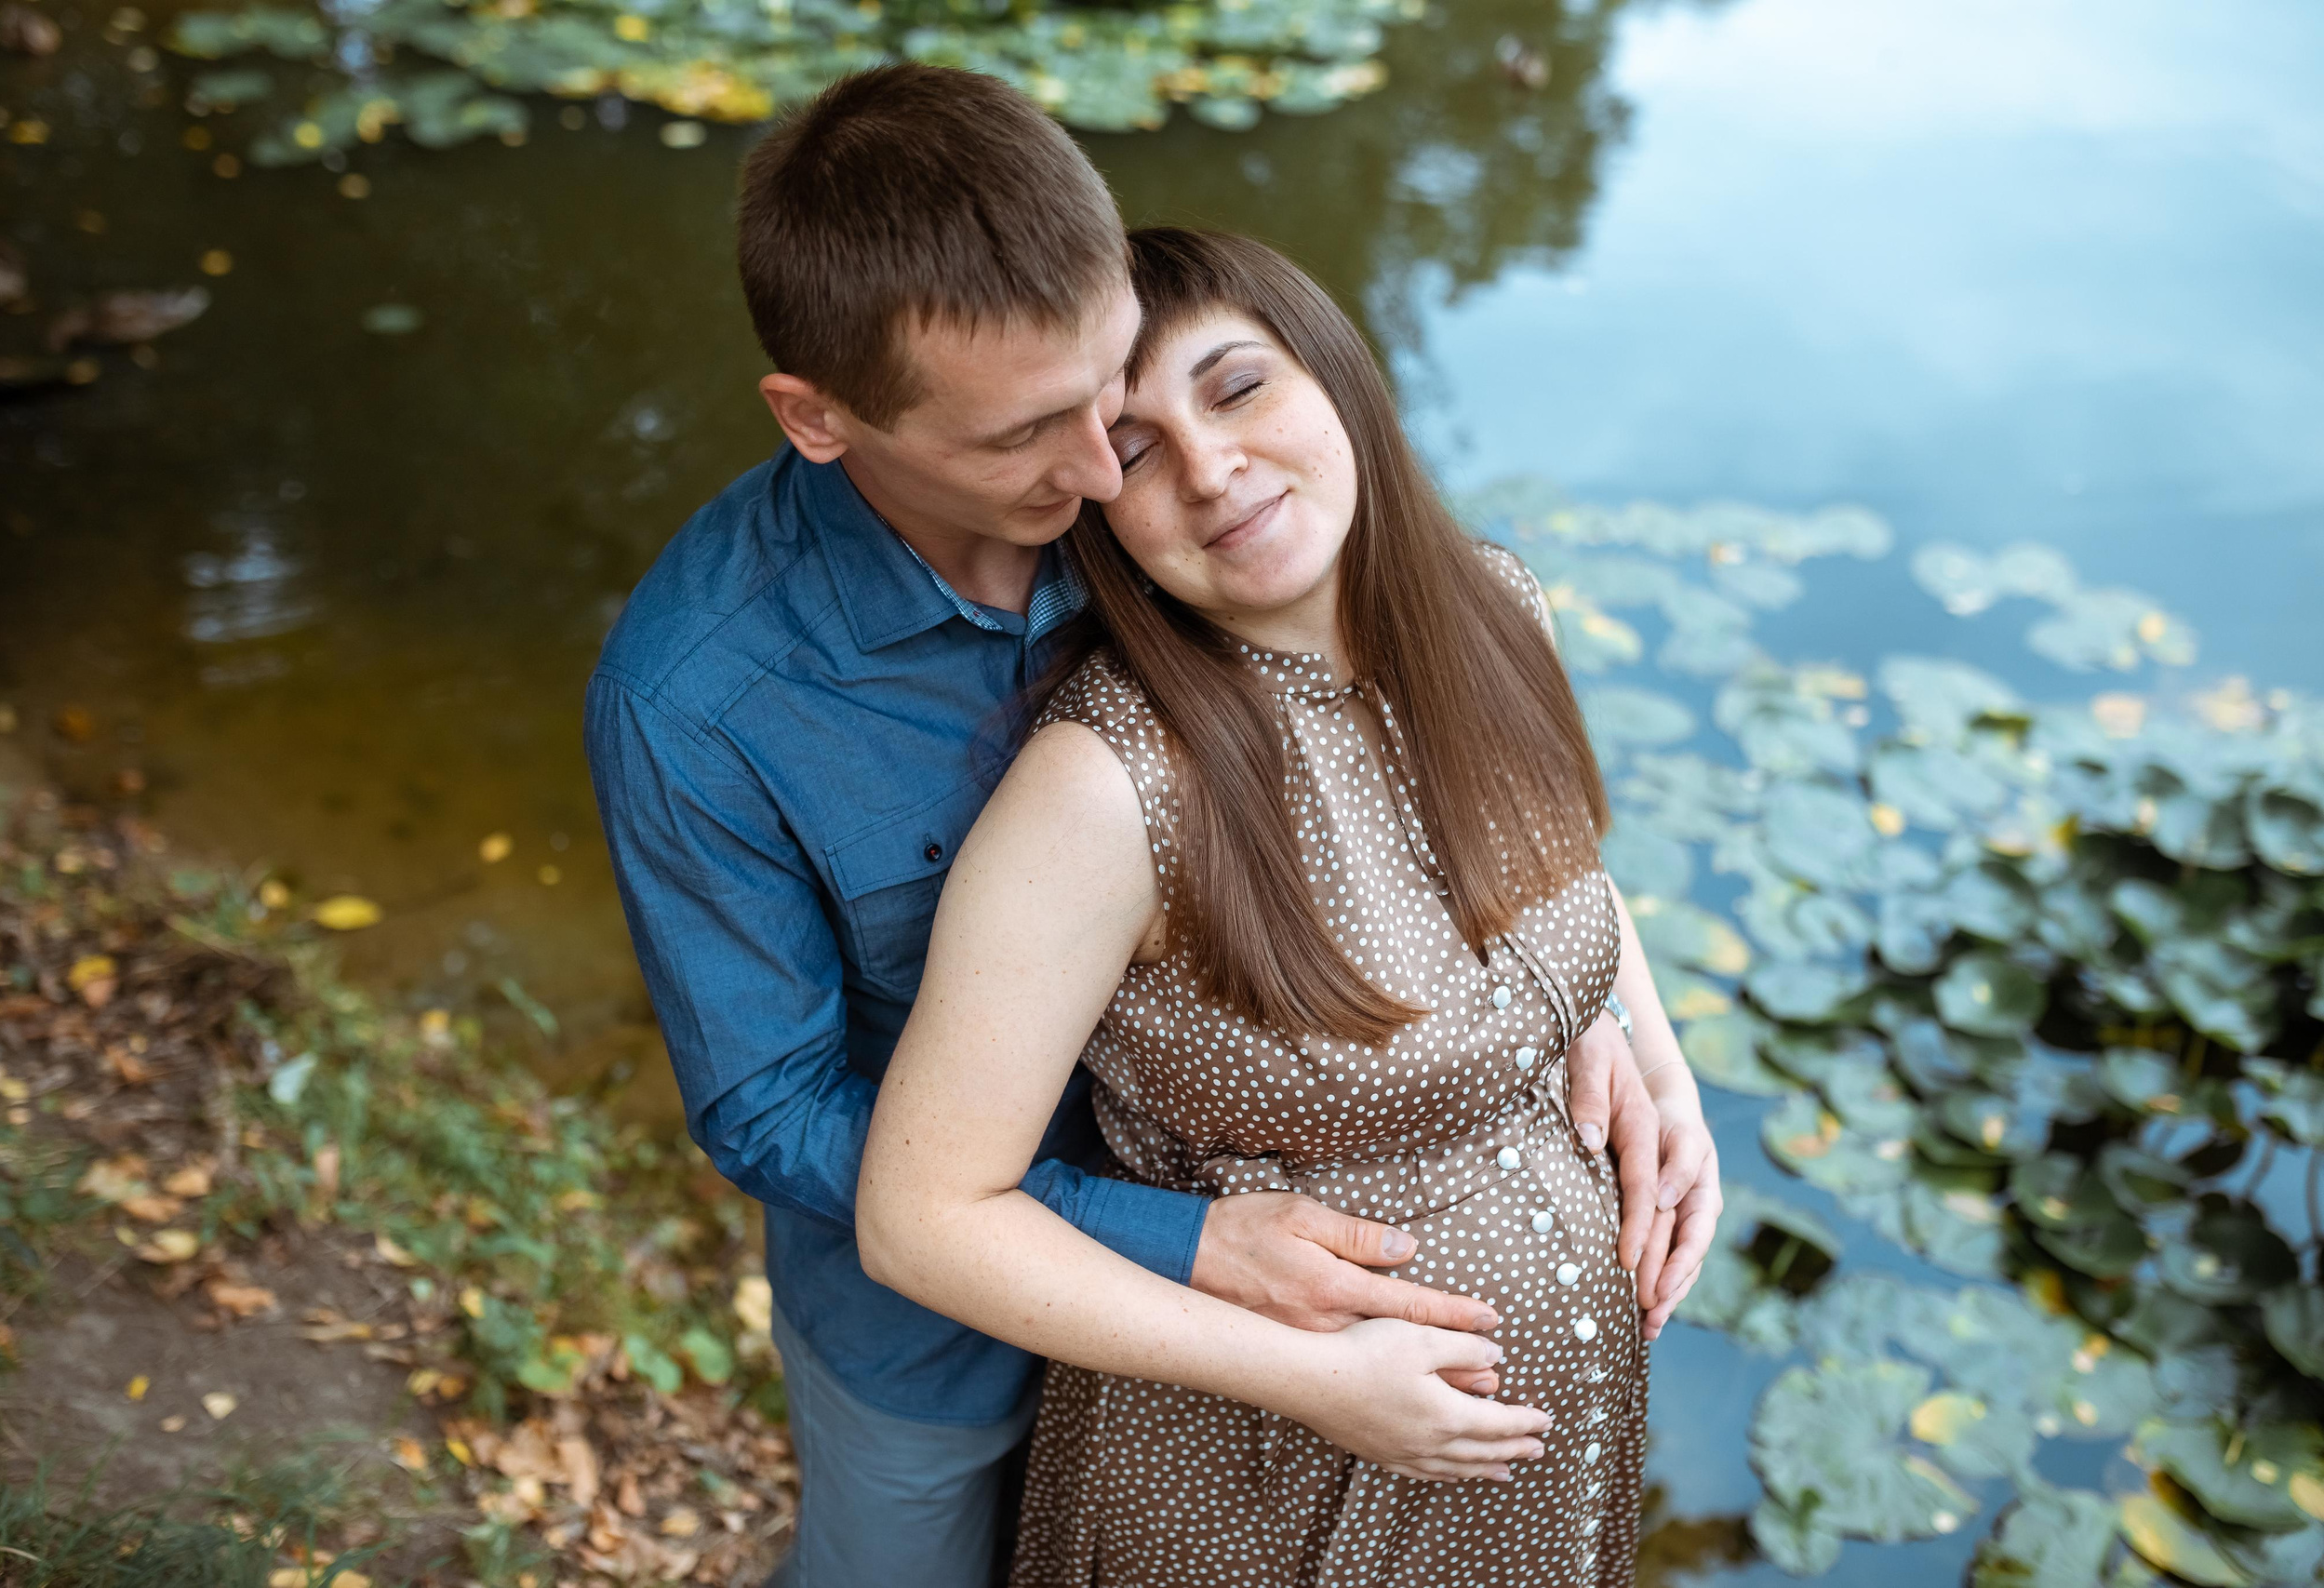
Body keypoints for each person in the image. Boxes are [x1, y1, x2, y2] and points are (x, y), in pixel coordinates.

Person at [587, 67, 1704, 1588]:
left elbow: (1430, 787)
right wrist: (1175, 1240)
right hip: (957, 1333)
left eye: (1111, 385)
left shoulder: (1191, 519)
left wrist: (1600, 1023)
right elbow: (773, 1107)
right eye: (1037, 436)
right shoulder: (701, 700)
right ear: (820, 420)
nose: (1117, 470)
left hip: (1313, 1315)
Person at [856, 227, 1720, 1586]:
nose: (1209, 469)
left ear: (1335, 375)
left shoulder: (1497, 608)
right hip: (1263, 1495)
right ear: (1099, 507)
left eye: (1239, 387)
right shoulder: (1107, 789)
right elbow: (921, 1217)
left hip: (1540, 1484)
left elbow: (1561, 872)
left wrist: (1652, 1058)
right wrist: (1310, 1381)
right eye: (1135, 451)